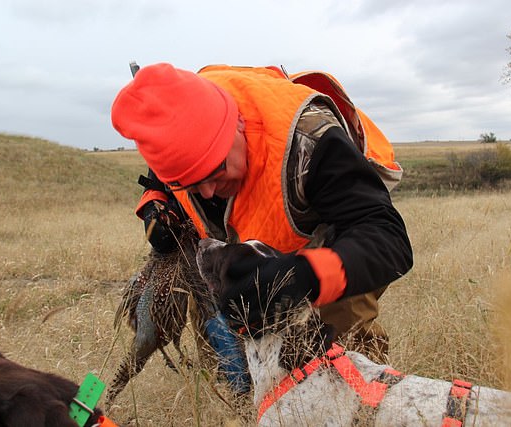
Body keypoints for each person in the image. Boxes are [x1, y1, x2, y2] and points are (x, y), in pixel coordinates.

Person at [111, 63, 413, 392]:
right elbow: (160, 178)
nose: (208, 192)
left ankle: (361, 406)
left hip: (331, 231)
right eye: (192, 183)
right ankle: (241, 401)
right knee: (220, 323)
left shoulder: (311, 141)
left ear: (238, 123)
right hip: (250, 238)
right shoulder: (173, 119)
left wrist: (304, 277)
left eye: (217, 170)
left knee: (340, 337)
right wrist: (156, 204)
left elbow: (388, 239)